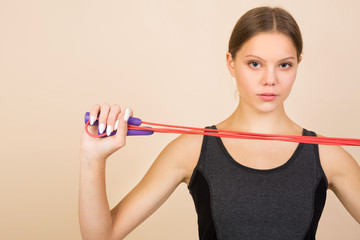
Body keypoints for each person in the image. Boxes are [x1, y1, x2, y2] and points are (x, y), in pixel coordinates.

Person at [78, 6, 360, 240]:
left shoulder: (328, 156)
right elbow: (101, 236)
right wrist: (93, 158)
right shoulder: (191, 150)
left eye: (284, 65)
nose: (270, 79)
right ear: (231, 63)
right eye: (254, 63)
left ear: (298, 64)